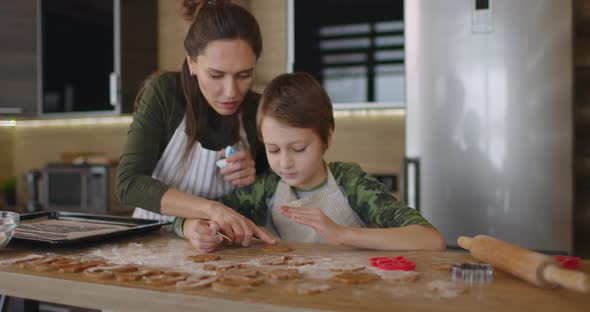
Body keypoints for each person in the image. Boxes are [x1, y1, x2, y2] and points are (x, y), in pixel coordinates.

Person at [174, 72, 446, 252]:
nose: (285, 163)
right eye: (273, 149)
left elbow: (430, 240)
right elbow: (200, 213)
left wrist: (343, 234)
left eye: (298, 148)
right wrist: (192, 229)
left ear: (326, 137)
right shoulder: (268, 187)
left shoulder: (351, 182)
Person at [115, 0, 275, 246]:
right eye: (216, 75)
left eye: (245, 75)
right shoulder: (165, 93)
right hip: (152, 241)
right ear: (191, 63)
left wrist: (254, 175)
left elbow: (273, 190)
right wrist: (210, 209)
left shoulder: (257, 108)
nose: (231, 92)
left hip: (224, 249)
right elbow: (129, 183)